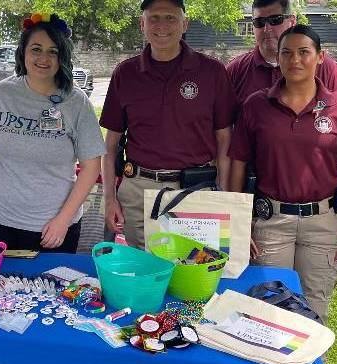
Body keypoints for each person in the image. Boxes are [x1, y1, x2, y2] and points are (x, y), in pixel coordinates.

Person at [228, 25, 337, 323]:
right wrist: (238, 224)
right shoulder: (256, 105)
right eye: (287, 53)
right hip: (270, 222)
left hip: (321, 223)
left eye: (304, 52)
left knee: (315, 310)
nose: (296, 60)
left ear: (320, 57)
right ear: (277, 58)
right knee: (267, 308)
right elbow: (237, 165)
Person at [100, 0, 237, 247]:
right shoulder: (126, 74)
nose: (162, 25)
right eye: (154, 18)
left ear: (185, 24)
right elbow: (109, 147)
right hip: (138, 192)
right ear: (142, 24)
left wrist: (223, 196)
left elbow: (225, 139)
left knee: (192, 273)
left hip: (195, 190)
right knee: (144, 275)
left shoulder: (212, 72)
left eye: (170, 18)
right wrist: (110, 198)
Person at [0, 13, 105, 252]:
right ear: (23, 52)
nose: (44, 58)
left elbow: (91, 167)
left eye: (53, 51)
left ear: (62, 56)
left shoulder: (76, 101)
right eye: (36, 49)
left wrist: (63, 220)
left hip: (49, 227)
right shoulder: (3, 92)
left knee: (51, 288)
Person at [227, 0, 337, 105]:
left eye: (275, 20)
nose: (266, 28)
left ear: (292, 21)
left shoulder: (326, 68)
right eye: (259, 22)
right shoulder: (235, 71)